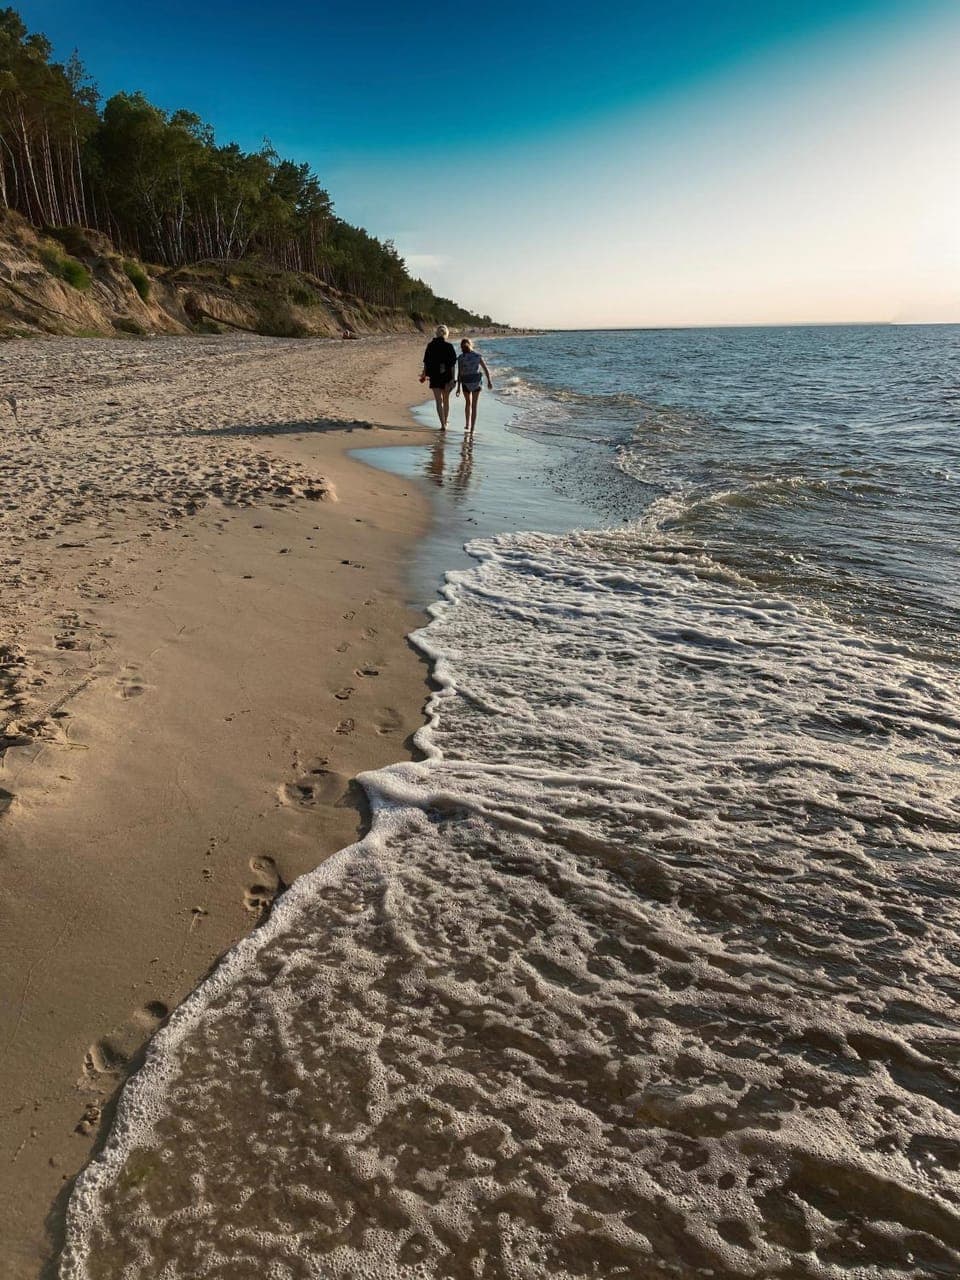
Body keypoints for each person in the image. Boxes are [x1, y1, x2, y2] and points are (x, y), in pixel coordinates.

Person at [421, 324, 457, 430]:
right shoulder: (449, 346)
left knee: (438, 401)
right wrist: (453, 378)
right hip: (446, 376)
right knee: (446, 400)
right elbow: (452, 365)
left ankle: (442, 424)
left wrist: (424, 374)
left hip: (434, 376)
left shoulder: (430, 345)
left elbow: (426, 362)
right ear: (446, 334)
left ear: (436, 333)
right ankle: (445, 421)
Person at [455, 338, 492, 433]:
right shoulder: (477, 356)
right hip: (476, 382)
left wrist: (458, 388)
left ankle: (467, 424)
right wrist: (489, 381)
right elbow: (486, 369)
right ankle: (472, 428)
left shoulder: (460, 358)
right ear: (471, 345)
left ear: (461, 347)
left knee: (468, 403)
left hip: (465, 383)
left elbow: (459, 373)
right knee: (474, 406)